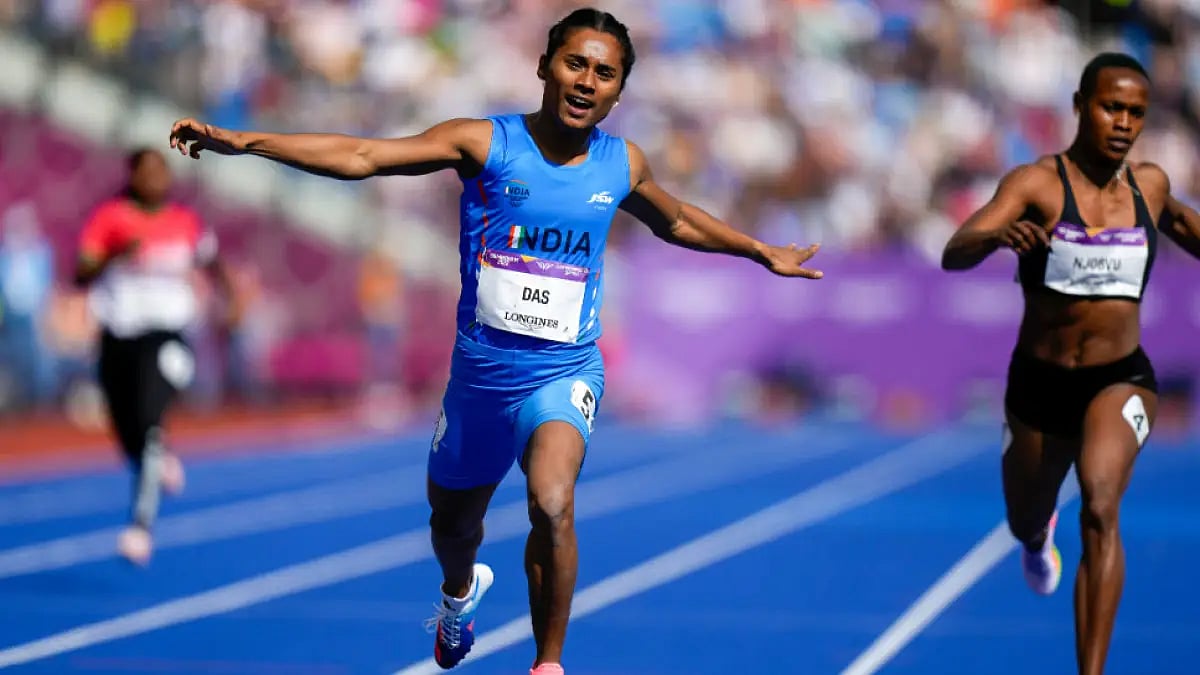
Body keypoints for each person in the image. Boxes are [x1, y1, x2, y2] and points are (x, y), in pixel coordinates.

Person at [167, 8, 822, 673]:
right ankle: (459, 593)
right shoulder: (484, 144)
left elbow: (675, 218)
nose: (587, 81)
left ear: (619, 91)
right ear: (544, 66)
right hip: (479, 381)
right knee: (452, 527)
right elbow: (364, 156)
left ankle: (548, 663)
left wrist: (759, 249)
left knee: (552, 501)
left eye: (605, 73)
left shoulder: (621, 163)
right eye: (575, 64)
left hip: (562, 373)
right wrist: (244, 142)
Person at [942, 52, 1200, 674]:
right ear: (1082, 105)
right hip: (1039, 384)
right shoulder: (1036, 184)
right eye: (1112, 107)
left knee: (1102, 502)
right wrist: (996, 236)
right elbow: (956, 252)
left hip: (1120, 379)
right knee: (1024, 519)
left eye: (1136, 113)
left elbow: (1191, 228)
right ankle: (1037, 536)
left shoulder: (1151, 186)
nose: (1123, 123)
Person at [75, 148, 239, 566]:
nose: (154, 180)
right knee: (126, 426)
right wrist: (113, 255)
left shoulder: (185, 223)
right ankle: (155, 457)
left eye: (160, 171)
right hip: (118, 336)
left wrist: (232, 300)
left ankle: (140, 526)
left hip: (167, 336)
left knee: (148, 422)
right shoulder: (109, 218)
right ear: (131, 176)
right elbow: (81, 273)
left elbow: (214, 263)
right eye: (145, 172)